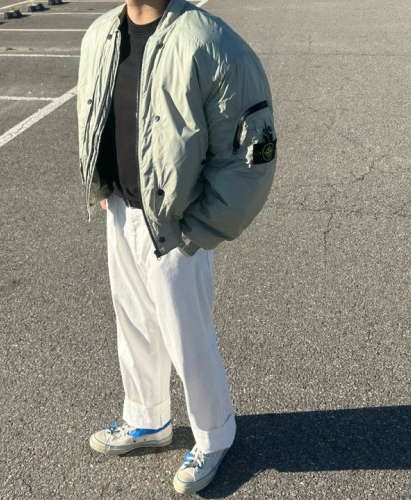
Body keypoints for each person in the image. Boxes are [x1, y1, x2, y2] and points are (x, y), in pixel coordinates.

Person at [77, 0, 276, 493]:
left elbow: (248, 149)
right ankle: (146, 418)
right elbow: (96, 111)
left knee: (186, 333)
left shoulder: (211, 43)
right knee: (134, 321)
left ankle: (214, 434)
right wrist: (102, 182)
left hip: (178, 221)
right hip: (122, 208)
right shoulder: (101, 34)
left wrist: (204, 224)